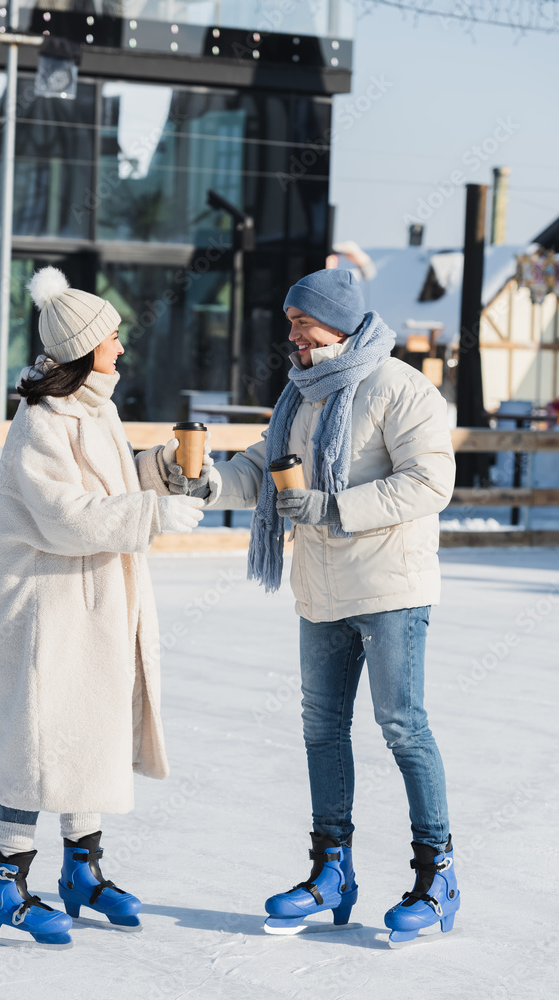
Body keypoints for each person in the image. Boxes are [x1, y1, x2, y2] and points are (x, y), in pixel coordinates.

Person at [163, 268, 459, 946]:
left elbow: (429, 481)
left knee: (402, 724)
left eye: (302, 320)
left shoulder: (399, 388)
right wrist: (207, 483)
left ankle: (435, 876)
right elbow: (259, 468)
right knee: (321, 729)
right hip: (321, 590)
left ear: (340, 322)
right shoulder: (299, 398)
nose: (290, 332)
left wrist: (333, 507)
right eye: (290, 320)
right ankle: (331, 872)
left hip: (390, 589)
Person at [0, 267, 208, 945]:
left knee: (90, 732)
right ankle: (4, 881)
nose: (122, 348)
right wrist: (153, 514)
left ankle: (82, 871)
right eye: (112, 337)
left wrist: (158, 469)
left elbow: (107, 482)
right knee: (42, 738)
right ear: (83, 346)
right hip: (49, 607)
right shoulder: (41, 419)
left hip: (98, 600)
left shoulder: (95, 408)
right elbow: (65, 513)